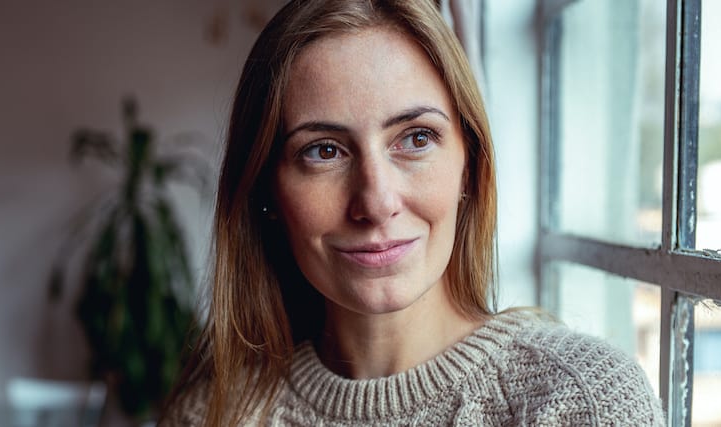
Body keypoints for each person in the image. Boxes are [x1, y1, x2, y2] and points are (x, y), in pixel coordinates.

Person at [161, 0, 665, 425]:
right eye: (324, 151)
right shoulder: (213, 410)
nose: (377, 202)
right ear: (266, 189)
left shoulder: (583, 403)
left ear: (468, 166)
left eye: (416, 138)